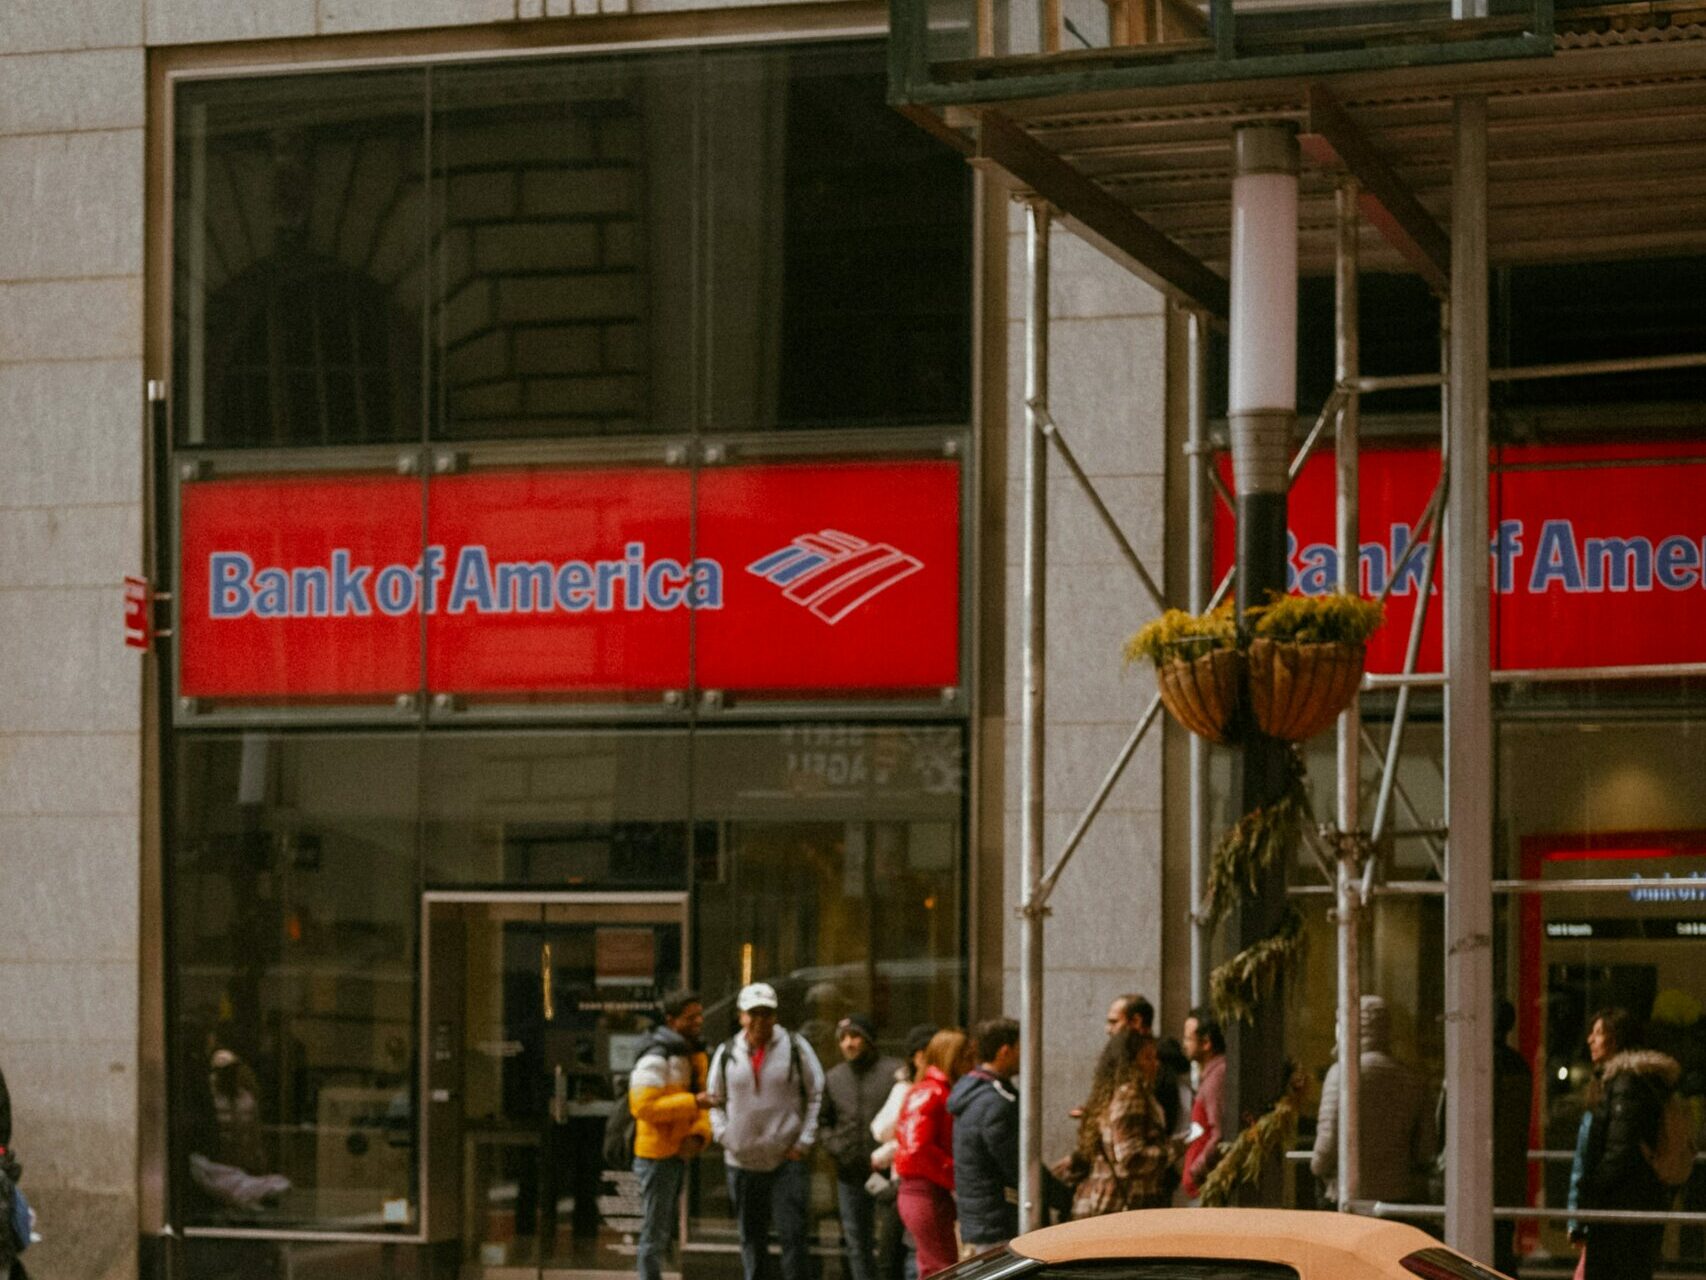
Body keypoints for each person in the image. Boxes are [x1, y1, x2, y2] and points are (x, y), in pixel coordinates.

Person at [708, 983, 826, 1280]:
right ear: (741, 1016)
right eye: (753, 1014)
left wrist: (804, 1141)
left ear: (775, 1016)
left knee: (793, 1236)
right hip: (742, 1161)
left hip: (787, 1160)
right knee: (751, 1237)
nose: (760, 1020)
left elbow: (817, 1094)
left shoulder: (796, 1047)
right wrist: (725, 1136)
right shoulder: (725, 1053)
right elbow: (714, 1100)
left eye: (767, 1013)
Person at [1576, 1008, 1681, 1280]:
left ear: (1617, 1040)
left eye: (1599, 1034)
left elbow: (1620, 1149)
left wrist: (1591, 1189)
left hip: (1620, 1207)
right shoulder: (1636, 1081)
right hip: (1634, 1203)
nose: (1591, 1040)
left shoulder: (1626, 1084)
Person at [1311, 995, 1436, 1209]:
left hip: (1347, 1198)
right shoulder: (1412, 1079)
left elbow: (1325, 1149)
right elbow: (1426, 1150)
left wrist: (1316, 1166)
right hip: (1398, 1199)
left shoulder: (1341, 1075)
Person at [628, 989, 712, 1280]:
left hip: (677, 1150)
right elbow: (643, 1106)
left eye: (699, 1015)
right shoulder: (658, 1054)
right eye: (690, 1017)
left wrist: (699, 1135)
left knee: (662, 1228)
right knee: (654, 1230)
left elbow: (703, 1104)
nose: (698, 1021)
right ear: (671, 1020)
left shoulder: (692, 1052)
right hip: (656, 1155)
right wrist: (693, 1104)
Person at [1057, 1029, 1177, 1218]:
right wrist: (1174, 1150)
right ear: (1130, 1064)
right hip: (1120, 1205)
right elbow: (1131, 1157)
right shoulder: (1131, 1094)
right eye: (1147, 1058)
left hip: (1102, 1202)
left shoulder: (1110, 1095)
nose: (1156, 1064)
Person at [820, 1015, 903, 1280]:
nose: (848, 1043)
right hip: (850, 1174)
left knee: (892, 1243)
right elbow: (823, 1122)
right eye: (843, 1039)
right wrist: (836, 1147)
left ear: (869, 1040)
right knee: (857, 1244)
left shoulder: (894, 1073)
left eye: (854, 1036)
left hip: (890, 1174)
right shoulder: (834, 1078)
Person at [895, 1029, 974, 1278]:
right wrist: (955, 1175)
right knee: (943, 1269)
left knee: (934, 1266)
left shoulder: (924, 1089)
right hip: (927, 1191)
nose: (971, 1065)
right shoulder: (936, 1092)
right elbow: (918, 1149)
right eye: (966, 1058)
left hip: (919, 1191)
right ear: (952, 1058)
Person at [948, 1018, 1020, 1255]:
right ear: (1005, 1051)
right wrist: (1059, 1195)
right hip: (994, 1220)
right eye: (1020, 1048)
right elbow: (1015, 1164)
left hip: (979, 1217)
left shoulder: (972, 1091)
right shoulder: (994, 1102)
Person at [872, 1024, 936, 1280]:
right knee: (894, 1253)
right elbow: (880, 1129)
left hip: (929, 1184)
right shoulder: (905, 1089)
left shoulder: (937, 1088)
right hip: (905, 1182)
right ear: (918, 1056)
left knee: (917, 1254)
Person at [1491, 999, 1533, 1277]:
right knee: (1502, 1244)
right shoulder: (1519, 1065)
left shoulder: (1484, 1065)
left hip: (1486, 1173)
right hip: (1509, 1172)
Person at [1100, 994, 1183, 1136]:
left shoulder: (1154, 1067)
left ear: (1137, 1022)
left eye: (1114, 1022)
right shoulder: (1126, 1061)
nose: (1108, 1029)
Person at [1181, 1007, 1226, 1202]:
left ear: (1206, 1043)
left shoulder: (1217, 1076)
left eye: (1188, 1039)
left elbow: (1219, 1133)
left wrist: (1195, 1170)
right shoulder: (1211, 1076)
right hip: (1201, 1185)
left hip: (1206, 1187)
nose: (1184, 1044)